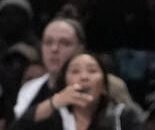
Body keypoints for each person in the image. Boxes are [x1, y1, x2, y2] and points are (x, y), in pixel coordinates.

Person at [8, 52, 142, 130]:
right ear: (65, 83)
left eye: (92, 70)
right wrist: (56, 101)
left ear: (104, 86)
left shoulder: (123, 116)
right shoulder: (55, 118)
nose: (84, 77)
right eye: (75, 71)